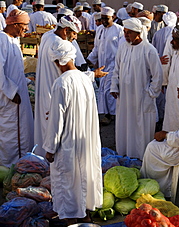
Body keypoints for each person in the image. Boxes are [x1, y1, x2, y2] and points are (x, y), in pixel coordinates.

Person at [43, 39, 102, 222]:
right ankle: (85, 215)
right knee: (85, 175)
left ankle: (69, 220)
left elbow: (57, 121)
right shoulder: (84, 79)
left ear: (58, 62)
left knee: (68, 181)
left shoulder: (61, 83)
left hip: (68, 141)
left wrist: (50, 148)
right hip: (86, 138)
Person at [34, 14, 107, 157]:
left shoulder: (47, 36)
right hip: (57, 94)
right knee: (58, 134)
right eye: (73, 33)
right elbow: (69, 74)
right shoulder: (60, 45)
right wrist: (93, 75)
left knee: (47, 130)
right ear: (66, 30)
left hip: (46, 92)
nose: (74, 38)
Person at [110, 17, 163, 160]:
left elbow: (157, 75)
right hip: (125, 96)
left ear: (138, 33)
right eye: (125, 32)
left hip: (142, 97)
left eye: (129, 32)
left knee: (140, 129)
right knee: (125, 126)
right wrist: (114, 86)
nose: (126, 35)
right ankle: (124, 155)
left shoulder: (149, 50)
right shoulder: (123, 47)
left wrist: (150, 93)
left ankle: (141, 158)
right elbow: (117, 69)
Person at [0, 9, 34, 167]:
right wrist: (11, 92)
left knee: (22, 131)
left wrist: (25, 81)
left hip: (19, 95)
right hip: (8, 98)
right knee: (10, 135)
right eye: (25, 25)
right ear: (14, 24)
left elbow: (13, 69)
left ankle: (22, 166)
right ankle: (9, 169)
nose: (27, 29)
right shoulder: (1, 39)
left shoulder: (14, 40)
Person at [87, 6, 124, 125]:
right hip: (102, 65)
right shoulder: (99, 29)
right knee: (103, 90)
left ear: (113, 17)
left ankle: (112, 115)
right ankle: (107, 114)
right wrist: (89, 60)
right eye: (102, 18)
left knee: (110, 90)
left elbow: (122, 49)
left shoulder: (119, 30)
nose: (103, 21)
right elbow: (96, 48)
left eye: (106, 18)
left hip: (114, 65)